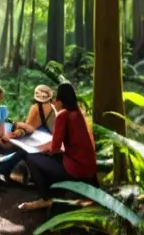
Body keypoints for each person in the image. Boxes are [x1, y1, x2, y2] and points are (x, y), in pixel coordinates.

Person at [19, 81, 97, 211]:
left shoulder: (63, 115)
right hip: (88, 169)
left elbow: (54, 148)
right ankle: (55, 191)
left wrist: (39, 149)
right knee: (50, 159)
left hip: (75, 169)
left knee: (31, 158)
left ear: (60, 100)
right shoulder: (78, 113)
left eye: (56, 99)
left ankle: (46, 198)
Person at [0, 84, 56, 181]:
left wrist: (16, 132)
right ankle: (4, 169)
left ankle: (2, 168)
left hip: (42, 144)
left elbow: (27, 128)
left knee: (22, 150)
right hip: (52, 142)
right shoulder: (54, 108)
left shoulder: (35, 108)